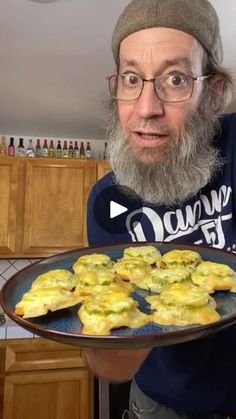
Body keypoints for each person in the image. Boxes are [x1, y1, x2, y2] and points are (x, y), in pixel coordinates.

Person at [84, 0, 236, 417]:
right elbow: (108, 362)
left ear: (214, 92)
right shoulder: (106, 203)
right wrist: (109, 332)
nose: (147, 107)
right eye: (132, 78)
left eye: (175, 79)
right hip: (160, 406)